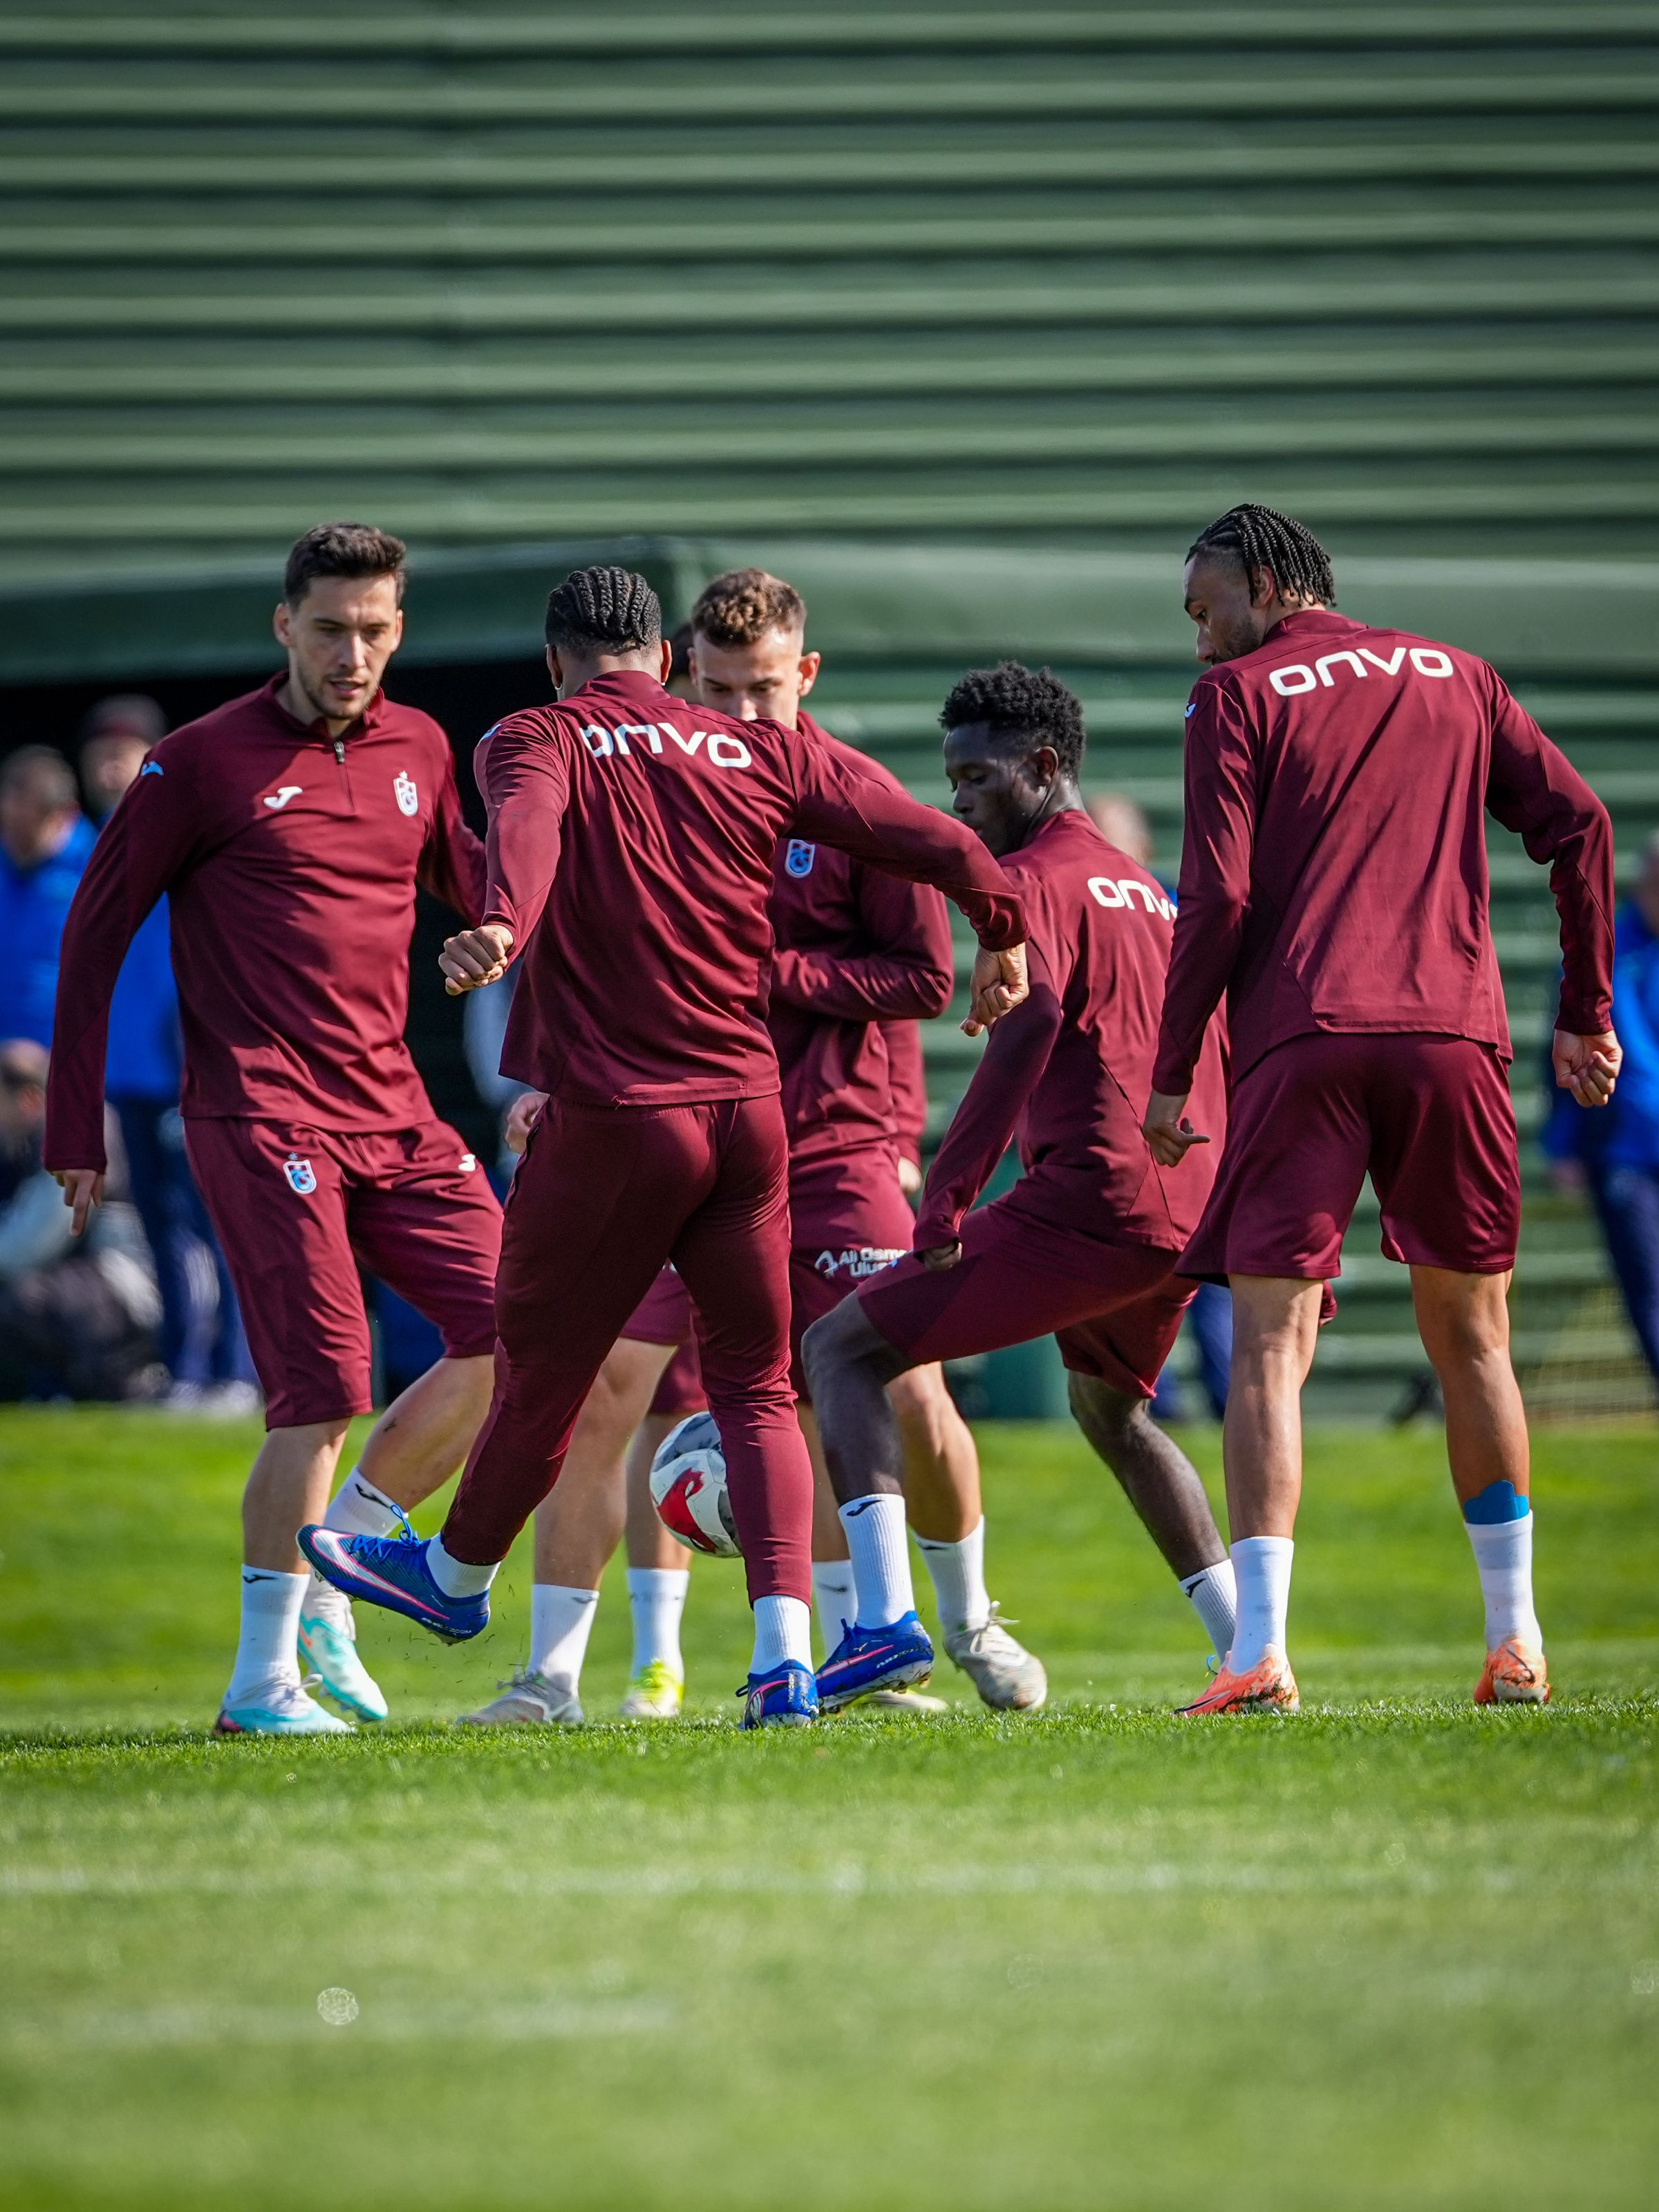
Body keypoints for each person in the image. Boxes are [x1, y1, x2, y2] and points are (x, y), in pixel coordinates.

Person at [299, 564, 1029, 1730]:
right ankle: (785, 1665)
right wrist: (1002, 925)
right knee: (759, 1389)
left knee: (541, 1372)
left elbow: (526, 832)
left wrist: (503, 922)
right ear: (668, 661)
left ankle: (455, 1577)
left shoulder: (536, 735)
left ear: (556, 663)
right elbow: (930, 837)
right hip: (747, 1118)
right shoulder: (754, 751)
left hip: (616, 1116)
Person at [1144, 503, 1619, 1715]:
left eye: (1205, 610)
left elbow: (1218, 897)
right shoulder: (1459, 673)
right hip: (1453, 1038)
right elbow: (1581, 823)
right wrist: (1585, 1010)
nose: (1200, 639)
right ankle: (1516, 1641)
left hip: (1306, 1035)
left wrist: (1171, 1065)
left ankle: (1259, 1653)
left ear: (1263, 585)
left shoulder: (1235, 695)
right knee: (1476, 1341)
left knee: (1268, 1345)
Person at [45, 521, 505, 1737]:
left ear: (399, 631)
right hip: (259, 1112)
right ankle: (260, 1689)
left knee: (525, 1328)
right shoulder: (200, 763)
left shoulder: (420, 745)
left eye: (375, 631)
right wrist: (73, 1126)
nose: (353, 654)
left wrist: (502, 932)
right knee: (324, 1388)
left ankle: (338, 1567)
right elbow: (94, 934)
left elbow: (472, 881)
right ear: (284, 626)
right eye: (330, 629)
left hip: (395, 1109)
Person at [803, 663, 1239, 1709]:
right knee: (1111, 1413)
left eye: (978, 778)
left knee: (841, 1348)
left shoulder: (1034, 880)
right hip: (1191, 1204)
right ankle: (1248, 1651)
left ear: (1044, 768)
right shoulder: (1147, 888)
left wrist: (945, 1198)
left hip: (1099, 1200)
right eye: (951, 779)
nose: (959, 801)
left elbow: (1032, 1022)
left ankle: (883, 1627)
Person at [79, 697, 256, 1409]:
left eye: (122, 754)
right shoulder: (94, 844)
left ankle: (235, 1373)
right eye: (99, 755)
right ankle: (184, 1371)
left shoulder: (187, 831)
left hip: (190, 1072)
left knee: (214, 1226)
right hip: (126, 1077)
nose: (108, 769)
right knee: (159, 1228)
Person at [1085, 787, 1232, 1422]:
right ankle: (1154, 1403)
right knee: (1138, 1265)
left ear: (1143, 847)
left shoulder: (1183, 913)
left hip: (1197, 1111)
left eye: (1111, 839)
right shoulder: (1082, 911)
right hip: (1124, 1116)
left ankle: (1233, 1403)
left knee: (1211, 1273)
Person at [1541, 828, 1659, 1389]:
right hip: (1624, 1154)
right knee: (1649, 1289)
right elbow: (1560, 1049)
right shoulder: (1603, 949)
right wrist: (1563, 1145)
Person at [0, 1036, 160, 1402]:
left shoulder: (77, 1132)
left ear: (28, 1100)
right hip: (92, 1281)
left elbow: (30, 1244)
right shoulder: (28, 1139)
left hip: (128, 1287)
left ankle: (123, 1378)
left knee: (24, 1299)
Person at [0, 746, 97, 1049]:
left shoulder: (99, 870)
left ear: (63, 815)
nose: (12, 840)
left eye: (25, 828)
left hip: (70, 1055)